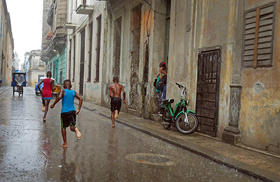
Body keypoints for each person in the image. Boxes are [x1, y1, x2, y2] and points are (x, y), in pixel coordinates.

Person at [50, 79, 83, 148]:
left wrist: (53, 104)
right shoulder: (73, 92)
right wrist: (79, 109)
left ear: (64, 86)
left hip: (64, 112)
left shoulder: (63, 91)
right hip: (72, 112)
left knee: (63, 127)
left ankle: (65, 143)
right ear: (70, 86)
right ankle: (76, 129)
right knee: (71, 127)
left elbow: (59, 97)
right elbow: (81, 98)